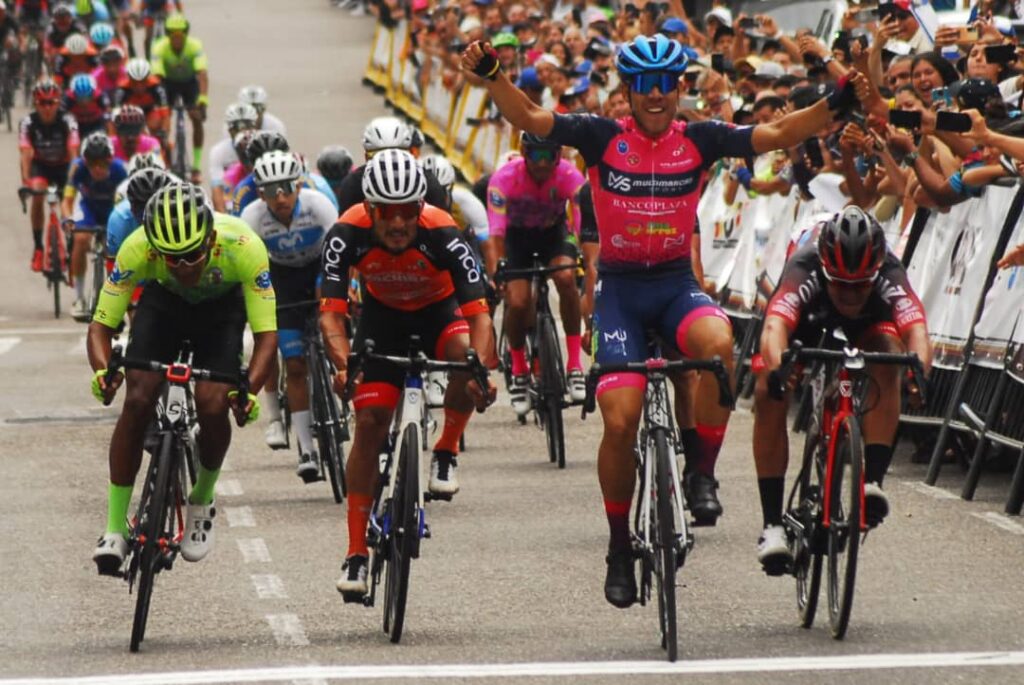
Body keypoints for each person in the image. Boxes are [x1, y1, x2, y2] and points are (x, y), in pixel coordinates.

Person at [461, 33, 873, 608]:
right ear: (628, 92)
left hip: (677, 286)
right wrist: (493, 74)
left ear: (680, 88)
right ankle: (617, 546)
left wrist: (837, 103)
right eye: (644, 86)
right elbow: (530, 114)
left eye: (667, 85)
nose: (656, 96)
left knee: (721, 342)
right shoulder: (600, 137)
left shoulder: (701, 139)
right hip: (622, 295)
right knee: (621, 420)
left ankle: (701, 473)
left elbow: (779, 133)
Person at [319, 150, 495, 599]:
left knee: (463, 357)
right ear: (370, 209)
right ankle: (357, 552)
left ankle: (446, 448)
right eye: (386, 214)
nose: (397, 224)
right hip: (383, 320)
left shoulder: (443, 233)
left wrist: (481, 369)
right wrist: (344, 366)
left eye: (407, 213)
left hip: (440, 312)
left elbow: (480, 318)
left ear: (420, 208)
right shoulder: (346, 234)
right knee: (371, 423)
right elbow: (332, 318)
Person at [88, 182, 277, 575]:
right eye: (172, 259)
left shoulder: (244, 246)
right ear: (156, 248)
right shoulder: (137, 248)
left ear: (210, 239)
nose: (184, 267)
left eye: (193, 255)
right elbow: (101, 326)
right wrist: (105, 372)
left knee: (212, 402)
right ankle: (113, 529)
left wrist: (249, 392)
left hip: (222, 311)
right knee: (138, 398)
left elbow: (266, 336)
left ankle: (202, 497)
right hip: (164, 306)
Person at [753, 206, 931, 573]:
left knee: (890, 356)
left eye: (860, 285)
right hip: (810, 318)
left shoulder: (889, 272)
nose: (850, 294)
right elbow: (775, 328)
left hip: (871, 322)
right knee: (765, 390)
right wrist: (777, 371)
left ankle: (872, 483)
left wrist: (919, 372)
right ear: (825, 268)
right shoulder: (804, 265)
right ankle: (772, 526)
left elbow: (917, 333)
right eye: (841, 284)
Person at [240, 151, 338, 478]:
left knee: (338, 332)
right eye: (270, 191)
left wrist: (335, 289)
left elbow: (341, 248)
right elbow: (247, 267)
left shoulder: (318, 204)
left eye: (285, 187)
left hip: (319, 271)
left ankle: (341, 386)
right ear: (260, 194)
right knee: (294, 365)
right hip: (281, 281)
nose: (279, 197)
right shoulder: (252, 218)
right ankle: (307, 450)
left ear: (297, 184)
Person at [486, 133, 587, 410]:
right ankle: (519, 369)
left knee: (566, 278)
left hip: (553, 234)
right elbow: (495, 234)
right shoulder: (504, 179)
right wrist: (498, 271)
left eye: (549, 156)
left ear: (560, 155)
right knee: (518, 302)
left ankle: (575, 366)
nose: (542, 163)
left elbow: (581, 223)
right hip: (515, 239)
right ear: (524, 152)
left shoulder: (570, 176)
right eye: (536, 155)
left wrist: (584, 256)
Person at [62, 130, 128, 319]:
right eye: (92, 164)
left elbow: (128, 204)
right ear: (85, 162)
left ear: (110, 160)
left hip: (113, 209)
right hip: (88, 209)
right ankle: (80, 298)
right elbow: (67, 200)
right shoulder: (77, 168)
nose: (98, 169)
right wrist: (68, 220)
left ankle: (114, 296)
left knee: (113, 247)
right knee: (81, 239)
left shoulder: (120, 170)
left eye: (102, 163)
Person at [20, 78, 80, 272]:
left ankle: (70, 242)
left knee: (66, 203)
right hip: (41, 167)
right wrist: (26, 182)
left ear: (58, 102)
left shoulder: (67, 120)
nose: (47, 108)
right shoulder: (28, 122)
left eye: (51, 103)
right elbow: (26, 153)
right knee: (37, 195)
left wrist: (74, 180)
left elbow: (73, 150)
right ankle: (38, 247)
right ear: (35, 103)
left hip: (63, 167)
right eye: (42, 103)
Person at [334, 116, 449, 212]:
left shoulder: (351, 184)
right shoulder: (352, 186)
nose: (390, 162)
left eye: (397, 154)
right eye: (379, 157)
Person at [150, 11, 208, 181]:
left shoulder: (195, 46)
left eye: (180, 34)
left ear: (186, 34)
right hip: (167, 84)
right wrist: (161, 108)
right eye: (172, 34)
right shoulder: (159, 46)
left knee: (196, 118)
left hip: (189, 83)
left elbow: (202, 74)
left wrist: (202, 100)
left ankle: (196, 166)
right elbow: (157, 79)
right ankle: (165, 160)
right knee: (162, 122)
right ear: (167, 34)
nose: (176, 38)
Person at [207, 102, 258, 210]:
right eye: (238, 128)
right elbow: (217, 191)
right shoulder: (218, 152)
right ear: (230, 131)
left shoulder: (264, 145)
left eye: (248, 126)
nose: (243, 132)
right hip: (232, 198)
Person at [113, 56, 170, 148]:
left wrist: (164, 132)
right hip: (130, 115)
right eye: (135, 82)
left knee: (159, 132)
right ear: (129, 79)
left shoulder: (157, 87)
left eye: (143, 82)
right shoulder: (121, 90)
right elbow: (114, 118)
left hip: (150, 112)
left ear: (148, 78)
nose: (139, 87)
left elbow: (165, 115)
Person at [62, 72, 110, 136]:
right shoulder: (67, 99)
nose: (84, 102)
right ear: (73, 95)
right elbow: (61, 115)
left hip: (96, 124)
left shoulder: (100, 97)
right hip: (77, 125)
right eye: (80, 98)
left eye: (88, 97)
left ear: (93, 94)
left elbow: (108, 113)